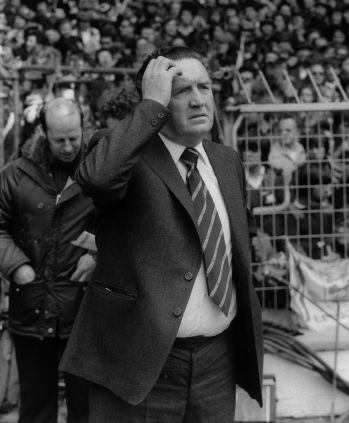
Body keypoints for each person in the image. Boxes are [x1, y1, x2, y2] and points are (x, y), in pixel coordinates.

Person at [61, 46, 263, 422]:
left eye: (205, 87)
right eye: (182, 90)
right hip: (141, 366)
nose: (199, 99)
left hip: (216, 363)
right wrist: (150, 106)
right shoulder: (127, 154)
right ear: (158, 98)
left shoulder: (225, 159)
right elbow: (97, 178)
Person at [0, 97, 95, 423]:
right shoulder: (15, 174)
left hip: (84, 312)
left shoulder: (99, 170)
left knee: (86, 409)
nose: (68, 147)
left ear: (83, 127)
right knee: (36, 408)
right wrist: (16, 265)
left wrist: (99, 253)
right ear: (43, 133)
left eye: (74, 137)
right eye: (60, 140)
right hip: (31, 307)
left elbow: (126, 225)